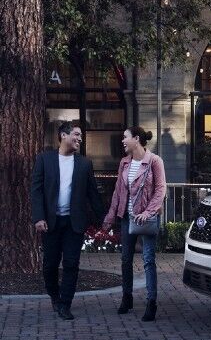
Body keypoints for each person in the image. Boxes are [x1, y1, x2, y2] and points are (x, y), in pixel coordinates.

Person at [31, 121, 104, 320]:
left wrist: (105, 218)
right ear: (63, 135)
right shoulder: (44, 160)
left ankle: (65, 304)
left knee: (71, 264)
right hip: (51, 223)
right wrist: (38, 217)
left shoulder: (84, 163)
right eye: (76, 134)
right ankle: (54, 295)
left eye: (80, 136)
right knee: (50, 265)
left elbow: (92, 194)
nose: (80, 139)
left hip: (74, 223)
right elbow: (36, 191)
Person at [102, 127, 166, 322]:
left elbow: (160, 189)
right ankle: (127, 297)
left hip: (146, 218)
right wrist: (110, 216)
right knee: (125, 260)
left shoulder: (154, 161)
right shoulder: (124, 163)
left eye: (125, 137)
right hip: (127, 217)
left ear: (136, 139)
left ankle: (151, 302)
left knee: (148, 260)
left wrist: (147, 213)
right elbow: (118, 192)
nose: (122, 140)